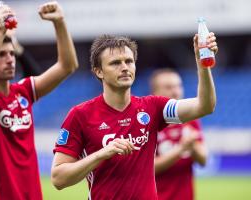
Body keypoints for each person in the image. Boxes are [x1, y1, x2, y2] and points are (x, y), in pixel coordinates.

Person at [51, 33, 217, 200]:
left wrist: (202, 62)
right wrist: (102, 154)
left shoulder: (153, 107)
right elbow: (58, 179)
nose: (124, 67)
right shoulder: (80, 115)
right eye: (115, 63)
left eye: (129, 61)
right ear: (99, 71)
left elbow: (205, 106)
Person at [0, 2, 78, 200]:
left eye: (11, 53)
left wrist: (60, 23)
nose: (10, 59)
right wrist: (0, 33)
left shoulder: (23, 91)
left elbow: (67, 66)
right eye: (2, 55)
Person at [150, 68, 207, 200]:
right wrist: (180, 149)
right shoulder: (149, 123)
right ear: (155, 92)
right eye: (168, 87)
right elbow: (146, 170)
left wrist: (192, 146)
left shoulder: (191, 121)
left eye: (178, 86)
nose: (175, 92)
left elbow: (203, 160)